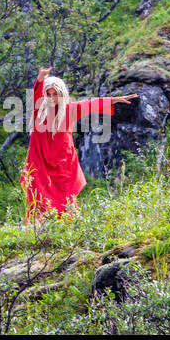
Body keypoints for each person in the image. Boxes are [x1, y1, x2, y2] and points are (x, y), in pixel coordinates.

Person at [22, 67, 137, 223]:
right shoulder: (38, 110)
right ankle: (40, 230)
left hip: (62, 162)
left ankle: (69, 226)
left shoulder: (69, 110)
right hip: (40, 162)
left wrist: (114, 100)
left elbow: (90, 104)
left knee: (65, 196)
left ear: (61, 94)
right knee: (39, 195)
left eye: (55, 94)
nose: (51, 97)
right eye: (47, 93)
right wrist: (41, 78)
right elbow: (36, 92)